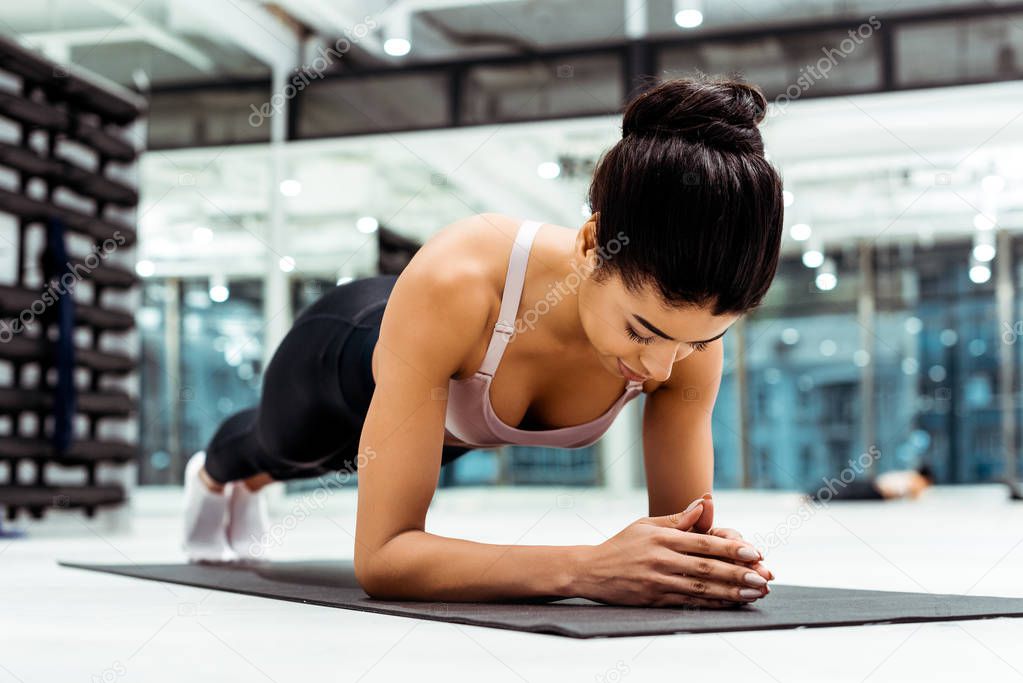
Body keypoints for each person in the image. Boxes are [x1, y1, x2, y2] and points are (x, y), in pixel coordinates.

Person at [181, 74, 784, 609]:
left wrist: (705, 564)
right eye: (640, 330)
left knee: (382, 456)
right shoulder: (460, 279)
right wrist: (587, 568)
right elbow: (383, 560)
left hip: (451, 418)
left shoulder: (688, 340)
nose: (661, 364)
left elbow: (677, 537)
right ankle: (212, 477)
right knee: (282, 452)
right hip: (341, 358)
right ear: (591, 244)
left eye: (697, 342)